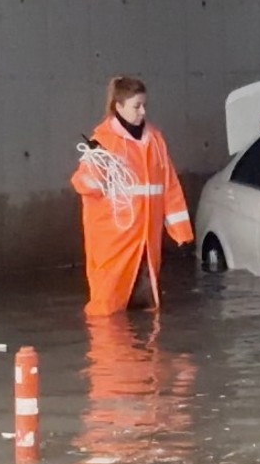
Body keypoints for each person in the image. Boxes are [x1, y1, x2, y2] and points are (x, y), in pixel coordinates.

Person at [71, 76, 194, 315]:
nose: (143, 112)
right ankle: (110, 353)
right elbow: (82, 183)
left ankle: (143, 353)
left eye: (144, 105)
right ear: (119, 107)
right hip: (113, 242)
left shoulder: (155, 140)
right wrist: (98, 171)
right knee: (107, 307)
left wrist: (181, 231)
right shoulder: (103, 143)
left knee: (147, 306)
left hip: (146, 241)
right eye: (136, 106)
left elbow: (169, 184)